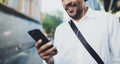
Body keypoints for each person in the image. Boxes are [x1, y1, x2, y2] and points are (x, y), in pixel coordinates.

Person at [35, 0, 120, 64]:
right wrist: (49, 60)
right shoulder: (60, 30)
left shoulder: (108, 20)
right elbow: (58, 61)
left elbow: (118, 59)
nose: (66, 3)